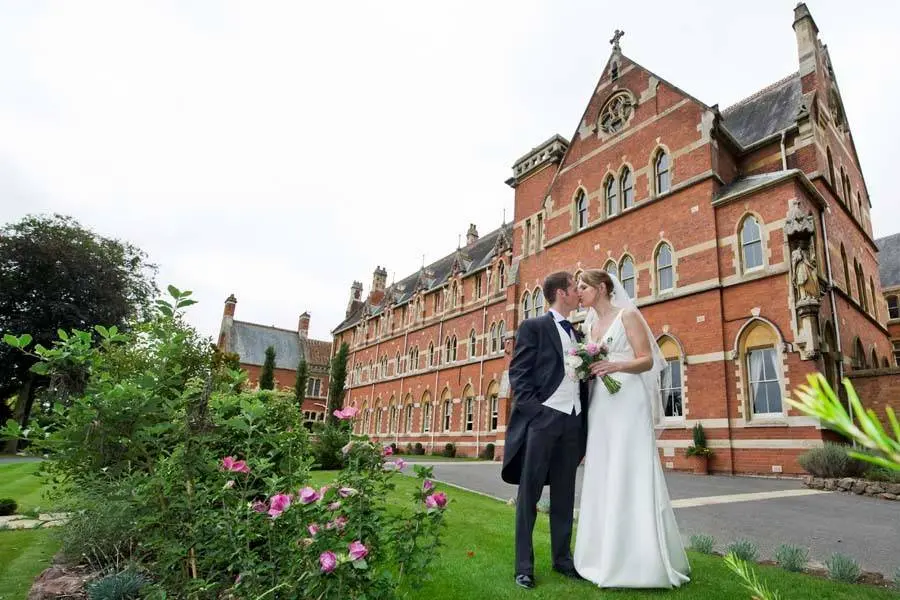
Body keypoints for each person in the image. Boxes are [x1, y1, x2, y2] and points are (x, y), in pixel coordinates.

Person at [573, 268, 690, 588]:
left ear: (600, 288)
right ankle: (601, 555)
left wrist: (615, 364)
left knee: (629, 468)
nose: (579, 292)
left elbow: (647, 360)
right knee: (604, 469)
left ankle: (642, 559)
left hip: (628, 400)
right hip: (603, 403)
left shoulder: (627, 316)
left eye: (583, 287)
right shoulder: (589, 324)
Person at [501, 271, 589, 590]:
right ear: (560, 293)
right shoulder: (533, 327)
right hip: (544, 420)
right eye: (574, 288)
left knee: (565, 494)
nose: (579, 293)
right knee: (530, 496)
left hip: (572, 422)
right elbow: (519, 375)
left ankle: (562, 559)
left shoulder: (579, 335)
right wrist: (538, 414)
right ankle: (524, 567)